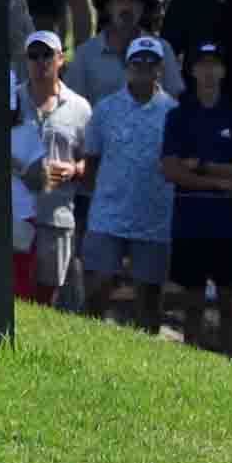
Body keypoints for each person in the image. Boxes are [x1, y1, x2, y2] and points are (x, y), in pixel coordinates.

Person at [82, 36, 176, 334]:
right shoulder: (105, 109)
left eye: (150, 62)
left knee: (149, 298)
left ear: (160, 68)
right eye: (137, 62)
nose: (143, 68)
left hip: (154, 219)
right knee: (98, 288)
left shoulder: (173, 113)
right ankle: (87, 347)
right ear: (127, 66)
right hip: (108, 215)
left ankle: (149, 364)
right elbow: (92, 160)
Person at [160, 41, 232, 355]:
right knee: (192, 305)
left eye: (215, 65)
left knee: (228, 306)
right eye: (202, 65)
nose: (208, 72)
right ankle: (191, 369)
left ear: (223, 70)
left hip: (229, 225)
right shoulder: (179, 116)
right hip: (190, 222)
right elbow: (170, 169)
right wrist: (219, 183)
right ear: (192, 70)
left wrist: (203, 167)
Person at [14, 30, 92, 307]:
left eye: (47, 55)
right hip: (15, 213)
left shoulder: (80, 108)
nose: (40, 61)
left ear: (61, 59)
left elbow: (91, 159)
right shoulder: (11, 100)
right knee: (15, 293)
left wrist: (73, 170)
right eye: (33, 56)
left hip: (56, 214)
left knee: (47, 295)